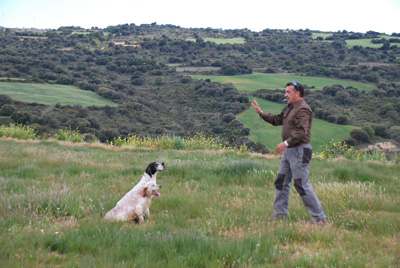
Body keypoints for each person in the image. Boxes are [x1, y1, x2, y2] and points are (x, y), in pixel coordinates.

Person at [252, 81, 328, 225]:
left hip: (300, 150)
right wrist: (261, 113)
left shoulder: (303, 109)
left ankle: (319, 219)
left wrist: (285, 143)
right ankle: (279, 216)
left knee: (301, 184)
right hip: (290, 151)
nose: (285, 95)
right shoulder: (289, 107)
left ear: (297, 93)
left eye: (288, 92)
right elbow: (276, 120)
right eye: (285, 92)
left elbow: (301, 132)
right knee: (281, 182)